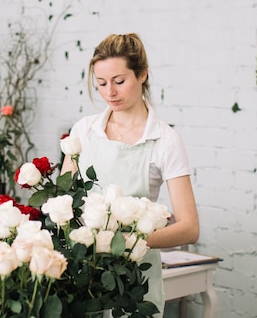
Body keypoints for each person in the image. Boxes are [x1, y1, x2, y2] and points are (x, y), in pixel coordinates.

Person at [60, 33, 200, 317]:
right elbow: (64, 203)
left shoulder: (165, 140)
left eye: (119, 81)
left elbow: (190, 227)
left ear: (142, 75)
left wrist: (128, 241)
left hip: (135, 280)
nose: (110, 92)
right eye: (101, 84)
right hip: (83, 275)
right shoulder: (85, 131)